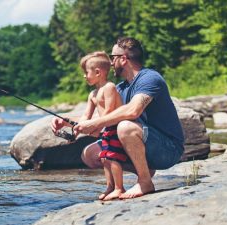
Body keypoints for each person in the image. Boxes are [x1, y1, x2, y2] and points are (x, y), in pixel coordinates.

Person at [74, 37, 185, 199]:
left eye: (113, 58)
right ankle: (143, 170)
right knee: (90, 154)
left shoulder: (150, 78)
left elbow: (133, 110)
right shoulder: (120, 88)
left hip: (168, 149)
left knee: (125, 127)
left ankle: (145, 182)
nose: (111, 63)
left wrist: (96, 123)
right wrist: (67, 124)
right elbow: (105, 118)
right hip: (145, 145)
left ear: (123, 59)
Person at [51, 51, 128, 201]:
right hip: (105, 130)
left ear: (98, 72)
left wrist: (96, 128)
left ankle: (119, 188)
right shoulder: (92, 94)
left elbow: (109, 112)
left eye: (86, 72)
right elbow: (86, 117)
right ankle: (110, 187)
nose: (84, 76)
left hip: (114, 128)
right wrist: (74, 133)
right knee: (104, 158)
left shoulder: (110, 87)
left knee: (113, 158)